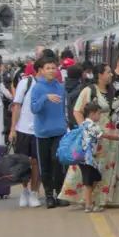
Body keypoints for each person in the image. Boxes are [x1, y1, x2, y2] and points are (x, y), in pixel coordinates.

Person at [61, 64, 119, 213]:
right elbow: (77, 111)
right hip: (94, 138)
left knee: (106, 167)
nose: (110, 75)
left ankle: (103, 198)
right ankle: (89, 200)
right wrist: (85, 128)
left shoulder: (112, 91)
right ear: (100, 74)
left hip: (110, 136)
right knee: (92, 169)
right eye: (108, 72)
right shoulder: (89, 90)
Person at [28, 61, 69, 208]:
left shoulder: (60, 86)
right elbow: (33, 108)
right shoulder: (38, 87)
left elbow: (64, 107)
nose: (51, 71)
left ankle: (59, 192)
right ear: (42, 70)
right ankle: (49, 195)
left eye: (53, 68)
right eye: (48, 68)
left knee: (57, 162)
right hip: (43, 132)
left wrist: (66, 124)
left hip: (59, 130)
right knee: (44, 165)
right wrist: (45, 97)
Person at [8, 62, 42, 207]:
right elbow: (17, 106)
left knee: (36, 163)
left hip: (40, 131)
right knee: (23, 162)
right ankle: (25, 190)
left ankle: (34, 192)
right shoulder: (25, 83)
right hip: (23, 129)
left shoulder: (49, 85)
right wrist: (13, 129)